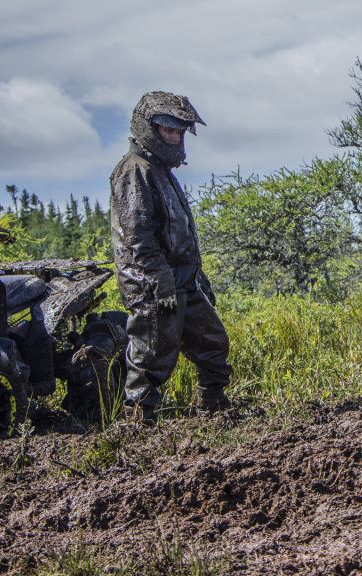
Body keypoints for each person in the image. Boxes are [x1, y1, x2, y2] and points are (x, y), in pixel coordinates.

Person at [110, 91, 231, 423]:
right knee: (151, 355)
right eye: (169, 130)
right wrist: (159, 281)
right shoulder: (135, 170)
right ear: (148, 127)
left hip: (182, 280)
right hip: (153, 284)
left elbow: (181, 235)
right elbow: (138, 235)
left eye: (180, 131)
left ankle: (214, 409)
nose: (176, 137)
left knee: (212, 342)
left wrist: (197, 277)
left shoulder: (161, 171)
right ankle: (137, 426)